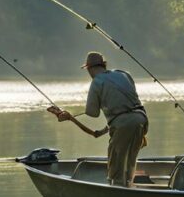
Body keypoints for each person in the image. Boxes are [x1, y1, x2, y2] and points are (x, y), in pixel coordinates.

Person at [51, 51, 148, 186]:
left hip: (123, 124)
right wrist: (103, 129)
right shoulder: (124, 74)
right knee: (130, 160)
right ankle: (129, 186)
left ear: (89, 69)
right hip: (141, 119)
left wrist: (69, 117)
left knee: (116, 165)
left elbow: (92, 113)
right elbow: (125, 105)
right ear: (104, 65)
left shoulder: (97, 82)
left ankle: (118, 190)